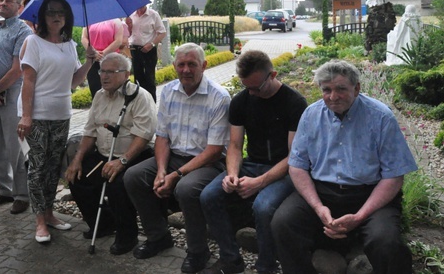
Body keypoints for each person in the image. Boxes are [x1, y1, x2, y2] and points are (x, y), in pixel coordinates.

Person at [271, 60, 418, 274]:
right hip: (322, 191)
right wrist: (318, 207)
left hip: (370, 194)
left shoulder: (381, 117)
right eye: (327, 90)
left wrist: (359, 217)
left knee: (386, 241)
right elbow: (297, 166)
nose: (333, 96)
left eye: (341, 89)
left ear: (357, 88)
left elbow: (394, 176)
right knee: (283, 223)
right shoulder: (311, 115)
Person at [123, 43, 231, 273]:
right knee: (134, 176)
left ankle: (198, 251)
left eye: (192, 64)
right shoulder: (170, 91)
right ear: (174, 66)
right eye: (181, 64)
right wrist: (162, 170)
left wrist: (175, 175)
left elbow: (214, 150)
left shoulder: (219, 97)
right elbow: (162, 136)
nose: (186, 70)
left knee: (186, 189)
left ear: (204, 65)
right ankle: (159, 236)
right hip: (173, 158)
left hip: (208, 163)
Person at [200, 50, 307, 274]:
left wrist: (259, 183)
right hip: (253, 163)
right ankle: (231, 260)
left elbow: (294, 156)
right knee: (209, 195)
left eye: (256, 88)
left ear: (273, 75)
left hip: (286, 170)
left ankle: (266, 266)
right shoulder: (241, 101)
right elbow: (236, 146)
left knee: (263, 206)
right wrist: (232, 174)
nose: (252, 93)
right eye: (246, 87)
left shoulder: (294, 103)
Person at [17, 0, 95, 244]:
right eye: (50, 12)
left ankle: (50, 213)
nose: (56, 16)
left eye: (61, 12)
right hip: (37, 116)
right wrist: (26, 116)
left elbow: (72, 82)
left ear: (67, 17)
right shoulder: (33, 42)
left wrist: (90, 62)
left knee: (52, 168)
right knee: (37, 168)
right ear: (42, 17)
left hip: (62, 114)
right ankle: (40, 220)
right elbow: (28, 81)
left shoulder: (69, 45)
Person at [65, 52, 156, 255]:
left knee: (117, 184)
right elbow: (89, 132)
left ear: (126, 74)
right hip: (104, 154)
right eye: (101, 71)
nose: (103, 76)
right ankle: (104, 223)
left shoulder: (140, 97)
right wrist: (77, 160)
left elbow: (143, 135)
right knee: (78, 177)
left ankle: (128, 235)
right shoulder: (99, 96)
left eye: (110, 72)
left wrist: (122, 161)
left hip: (134, 156)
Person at [0, 0, 33, 213]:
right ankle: (4, 190)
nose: (2, 3)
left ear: (20, 7)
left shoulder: (23, 32)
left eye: (9, 1)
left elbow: (17, 70)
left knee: (15, 147)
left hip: (12, 95)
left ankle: (22, 194)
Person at [128, 5, 166, 101]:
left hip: (149, 50)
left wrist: (152, 44)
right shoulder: (131, 15)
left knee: (149, 78)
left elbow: (162, 32)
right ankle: (140, 103)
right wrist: (129, 26)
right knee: (137, 77)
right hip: (134, 49)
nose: (139, 7)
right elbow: (128, 34)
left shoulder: (153, 15)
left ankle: (151, 103)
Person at [81, 18, 124, 95]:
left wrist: (103, 53)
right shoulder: (89, 20)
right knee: (95, 88)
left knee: (112, 89)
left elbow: (118, 41)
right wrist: (94, 52)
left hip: (111, 60)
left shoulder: (116, 21)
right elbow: (83, 38)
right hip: (93, 60)